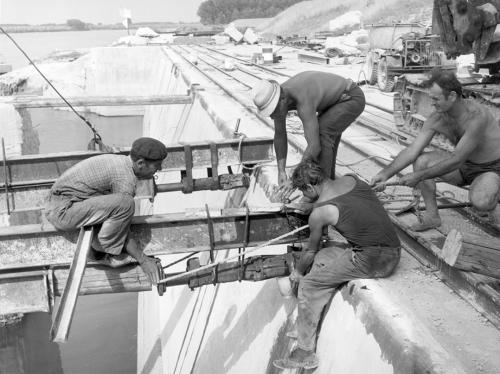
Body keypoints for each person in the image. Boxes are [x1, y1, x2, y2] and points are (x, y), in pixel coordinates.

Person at [274, 161, 401, 370]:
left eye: (304, 191)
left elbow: (309, 251)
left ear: (310, 187)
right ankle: (306, 323)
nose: (304, 196)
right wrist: (312, 205)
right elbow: (340, 202)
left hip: (373, 260)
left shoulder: (321, 213)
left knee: (309, 284)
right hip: (392, 250)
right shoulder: (351, 178)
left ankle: (304, 353)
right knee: (324, 257)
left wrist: (297, 272)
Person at [371, 68, 500, 231]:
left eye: (435, 99)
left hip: (492, 168)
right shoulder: (437, 118)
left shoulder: (476, 117)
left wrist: (417, 176)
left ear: (452, 96)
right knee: (421, 160)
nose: (432, 103)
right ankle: (432, 216)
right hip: (464, 166)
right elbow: (412, 150)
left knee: (481, 202)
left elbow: (456, 159)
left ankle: (493, 194)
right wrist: (384, 174)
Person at [44, 137, 168, 284]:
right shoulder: (125, 179)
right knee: (126, 204)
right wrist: (143, 259)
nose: (159, 169)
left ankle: (102, 244)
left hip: (62, 204)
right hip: (63, 211)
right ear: (140, 163)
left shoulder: (122, 162)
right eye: (157, 165)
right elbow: (123, 228)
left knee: (121, 206)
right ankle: (103, 248)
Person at [251, 71, 365, 194]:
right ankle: (328, 187)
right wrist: (281, 171)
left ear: (282, 99)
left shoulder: (302, 99)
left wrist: (294, 179)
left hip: (350, 98)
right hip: (334, 102)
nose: (273, 117)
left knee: (322, 134)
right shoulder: (279, 99)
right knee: (326, 141)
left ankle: (325, 192)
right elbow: (280, 135)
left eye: (274, 112)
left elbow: (314, 147)